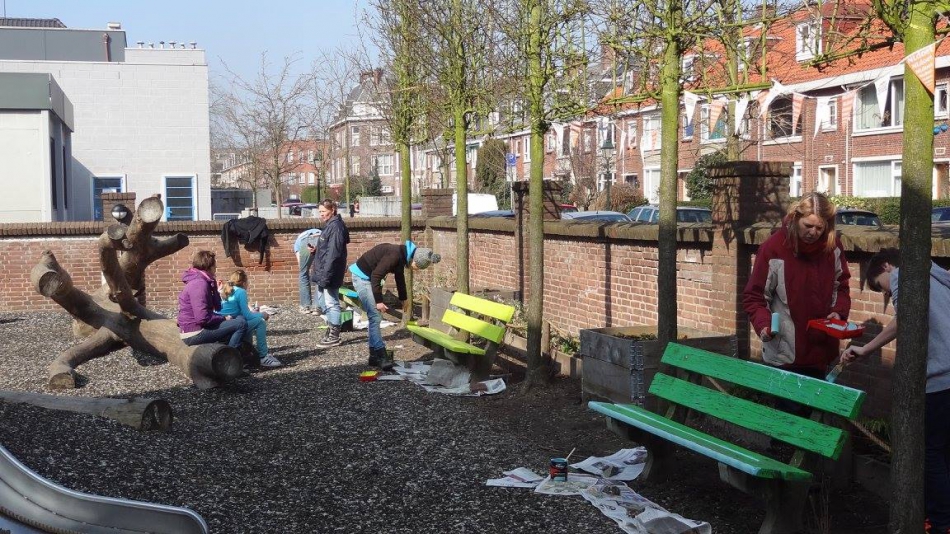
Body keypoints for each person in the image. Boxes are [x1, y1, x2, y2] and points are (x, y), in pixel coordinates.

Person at [842, 249, 950, 533]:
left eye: (881, 286)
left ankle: (941, 523)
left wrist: (866, 348)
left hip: (939, 379)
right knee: (944, 451)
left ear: (887, 266)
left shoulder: (905, 276)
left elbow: (905, 319)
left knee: (931, 453)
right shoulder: (937, 276)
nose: (887, 293)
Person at [742, 192, 851, 378]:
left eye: (819, 228)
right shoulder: (774, 248)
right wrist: (764, 325)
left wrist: (838, 311)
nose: (813, 232)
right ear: (795, 218)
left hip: (821, 351)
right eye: (808, 225)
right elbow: (755, 296)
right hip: (784, 352)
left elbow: (841, 287)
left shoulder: (833, 248)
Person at [349, 240, 440, 369]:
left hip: (368, 278)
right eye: (417, 267)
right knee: (375, 317)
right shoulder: (394, 256)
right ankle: (381, 355)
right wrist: (379, 301)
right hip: (361, 277)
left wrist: (404, 299)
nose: (416, 269)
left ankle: (374, 356)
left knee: (374, 318)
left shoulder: (402, 255)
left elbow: (399, 277)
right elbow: (376, 276)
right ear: (414, 260)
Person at [177, 250, 247, 349]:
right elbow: (202, 318)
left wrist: (214, 286)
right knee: (241, 324)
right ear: (210, 266)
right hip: (194, 333)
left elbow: (213, 308)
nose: (216, 267)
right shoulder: (199, 284)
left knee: (239, 318)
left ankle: (226, 346)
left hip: (194, 328)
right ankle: (230, 354)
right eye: (215, 264)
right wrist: (223, 318)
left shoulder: (200, 280)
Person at [219, 269, 282, 368]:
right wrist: (262, 314)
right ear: (244, 283)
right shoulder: (241, 292)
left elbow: (236, 311)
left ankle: (247, 355)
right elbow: (247, 315)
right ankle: (263, 356)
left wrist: (253, 312)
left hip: (222, 325)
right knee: (260, 322)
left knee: (249, 322)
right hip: (232, 326)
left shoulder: (225, 289)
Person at [311, 200, 350, 348]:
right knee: (323, 302)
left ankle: (334, 334)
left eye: (323, 211)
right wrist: (316, 251)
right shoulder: (330, 226)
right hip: (324, 271)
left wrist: (326, 275)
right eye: (320, 212)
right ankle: (331, 328)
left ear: (332, 209)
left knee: (331, 302)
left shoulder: (336, 227)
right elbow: (328, 249)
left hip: (330, 272)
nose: (321, 214)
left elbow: (334, 253)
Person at [293, 227, 322, 314]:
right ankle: (317, 307)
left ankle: (305, 307)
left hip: (306, 241)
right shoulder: (318, 231)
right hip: (321, 237)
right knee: (321, 273)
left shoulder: (297, 245)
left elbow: (301, 266)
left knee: (303, 274)